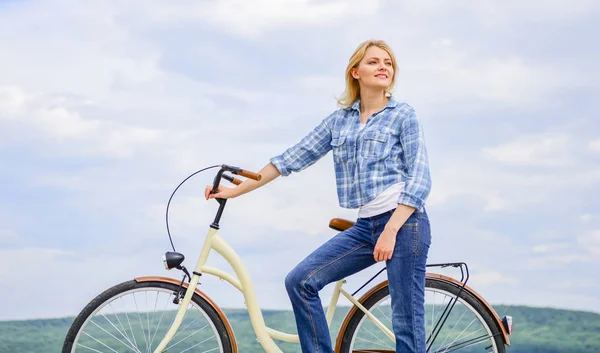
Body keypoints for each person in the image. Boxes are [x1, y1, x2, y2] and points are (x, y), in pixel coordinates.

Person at [205, 39, 432, 353]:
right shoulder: (340, 121)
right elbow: (291, 158)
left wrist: (391, 230)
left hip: (404, 225)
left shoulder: (402, 115)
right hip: (366, 227)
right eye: (374, 62)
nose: (383, 67)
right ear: (355, 72)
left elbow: (420, 178)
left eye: (388, 63)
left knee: (406, 319)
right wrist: (236, 190)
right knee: (300, 281)